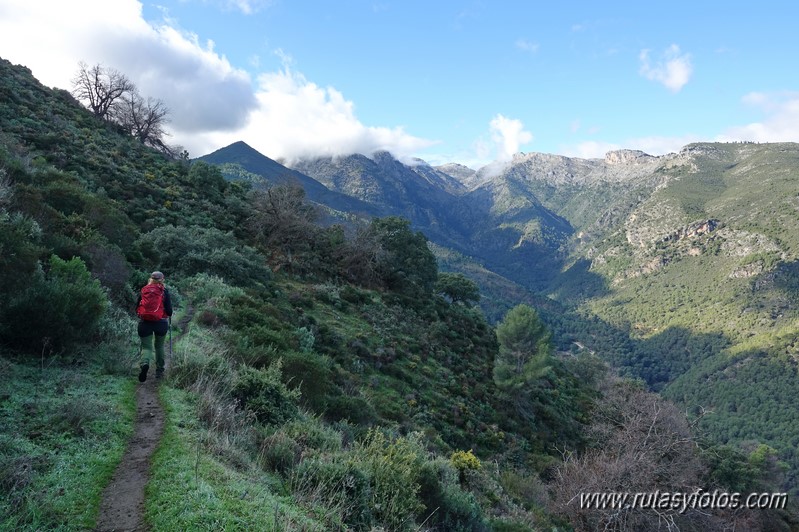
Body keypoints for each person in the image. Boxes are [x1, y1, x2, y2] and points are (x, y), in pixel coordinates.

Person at [136, 271, 173, 382]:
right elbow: (170, 311)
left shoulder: (144, 290)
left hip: (145, 323)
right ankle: (159, 371)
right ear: (162, 280)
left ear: (151, 278)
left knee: (146, 347)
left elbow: (136, 307)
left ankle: (145, 364)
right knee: (159, 346)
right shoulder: (164, 292)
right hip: (161, 323)